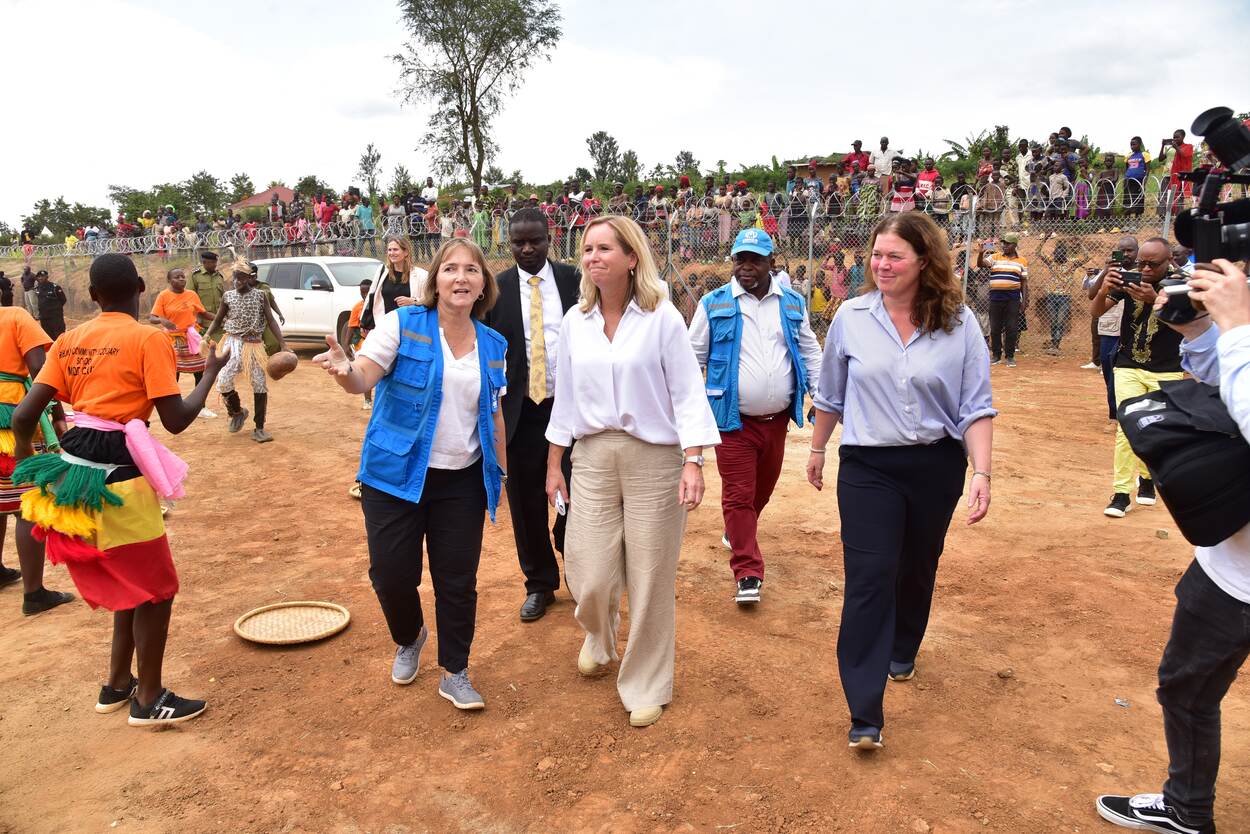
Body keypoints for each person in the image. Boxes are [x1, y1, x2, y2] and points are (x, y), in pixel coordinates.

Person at [806, 211, 995, 750]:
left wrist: (982, 471)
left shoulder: (959, 323)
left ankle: (904, 644)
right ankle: (865, 712)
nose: (881, 265)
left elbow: (976, 405)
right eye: (877, 255)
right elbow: (832, 394)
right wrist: (818, 449)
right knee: (869, 576)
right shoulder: (851, 317)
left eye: (895, 256)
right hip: (868, 466)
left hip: (936, 465)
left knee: (916, 566)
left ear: (924, 260)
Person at [11, 253, 226, 725]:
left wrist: (29, 468)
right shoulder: (148, 338)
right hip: (118, 477)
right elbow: (175, 420)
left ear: (93, 296)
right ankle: (148, 699)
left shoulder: (70, 339)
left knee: (133, 583)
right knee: (157, 589)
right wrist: (210, 373)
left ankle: (116, 683)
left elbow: (25, 416)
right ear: (141, 289)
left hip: (74, 471)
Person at [312, 239, 507, 712]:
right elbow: (362, 376)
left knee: (457, 581)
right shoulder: (402, 324)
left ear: (483, 285)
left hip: (461, 481)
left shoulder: (493, 344)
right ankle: (410, 635)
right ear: (435, 279)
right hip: (394, 475)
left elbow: (494, 414)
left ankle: (455, 671)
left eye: (472, 270)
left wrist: (499, 474)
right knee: (390, 575)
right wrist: (344, 370)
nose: (461, 278)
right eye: (451, 269)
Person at [544, 215, 719, 728]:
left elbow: (687, 393)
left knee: (649, 575)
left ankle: (645, 682)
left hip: (655, 461)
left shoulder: (662, 318)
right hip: (593, 456)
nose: (593, 257)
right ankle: (599, 635)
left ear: (631, 257)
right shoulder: (575, 321)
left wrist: (693, 461)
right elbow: (565, 398)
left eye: (604, 248)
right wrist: (554, 464)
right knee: (589, 570)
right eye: (587, 249)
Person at [1096, 258, 1250, 834]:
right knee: (1186, 688)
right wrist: (1200, 330)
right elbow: (1227, 386)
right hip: (1230, 564)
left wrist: (1238, 328)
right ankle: (1187, 808)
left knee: (1187, 691)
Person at [688, 229, 821, 605]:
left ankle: (737, 530)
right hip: (733, 421)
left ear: (771, 263)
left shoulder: (792, 303)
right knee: (739, 495)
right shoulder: (713, 304)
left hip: (777, 422)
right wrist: (691, 410)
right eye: (740, 259)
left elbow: (810, 352)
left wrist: (822, 395)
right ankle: (748, 571)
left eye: (755, 260)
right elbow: (691, 358)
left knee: (762, 489)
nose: (746, 267)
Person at [483, 208, 580, 622]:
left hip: (571, 411)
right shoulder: (496, 289)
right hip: (520, 414)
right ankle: (539, 584)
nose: (526, 249)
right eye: (518, 242)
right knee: (525, 505)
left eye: (534, 241)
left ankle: (575, 560)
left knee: (580, 496)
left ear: (549, 238)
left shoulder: (575, 281)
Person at [1091, 237, 1183, 517]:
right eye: (1141, 263)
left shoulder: (1180, 284)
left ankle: (1147, 478)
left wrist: (1155, 300)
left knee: (1155, 428)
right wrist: (1105, 288)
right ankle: (1121, 493)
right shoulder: (1130, 279)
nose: (1145, 269)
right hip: (1128, 364)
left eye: (1152, 264)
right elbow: (1096, 311)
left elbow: (1188, 324)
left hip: (1166, 368)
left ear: (1169, 261)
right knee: (1126, 427)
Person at [0, 302, 73, 615]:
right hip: (12, 420)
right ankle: (34, 593)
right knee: (26, 506)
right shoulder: (15, 316)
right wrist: (58, 414)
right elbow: (41, 370)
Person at [204, 261, 287, 443]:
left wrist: (283, 344)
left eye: (241, 278)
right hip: (232, 342)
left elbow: (271, 321)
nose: (237, 281)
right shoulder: (228, 296)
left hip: (254, 344)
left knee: (259, 384)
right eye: (235, 278)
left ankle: (259, 428)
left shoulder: (260, 296)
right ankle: (237, 412)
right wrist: (207, 334)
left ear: (250, 278)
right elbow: (217, 319)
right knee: (223, 381)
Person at [1086, 237, 1139, 414]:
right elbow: (1092, 295)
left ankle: (1127, 409)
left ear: (1137, 251)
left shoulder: (1144, 272)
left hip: (1132, 328)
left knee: (1127, 371)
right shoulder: (1111, 271)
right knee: (1108, 367)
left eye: (1130, 250)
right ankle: (1114, 410)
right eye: (1122, 251)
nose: (1126, 254)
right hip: (1110, 324)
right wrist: (1105, 272)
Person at [149, 268, 212, 385]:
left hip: (192, 337)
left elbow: (204, 313)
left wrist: (221, 318)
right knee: (174, 371)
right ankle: (174, 396)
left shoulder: (192, 294)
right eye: (177, 277)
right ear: (169, 280)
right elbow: (152, 318)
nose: (181, 279)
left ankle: (199, 397)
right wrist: (162, 320)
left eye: (183, 276)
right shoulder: (163, 296)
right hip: (172, 339)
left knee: (199, 370)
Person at [976, 234, 1028, 366]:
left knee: (1012, 328)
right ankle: (996, 355)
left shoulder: (1022, 261)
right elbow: (980, 264)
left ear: (1014, 245)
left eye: (1007, 244)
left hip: (1013, 299)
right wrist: (981, 254)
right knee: (995, 327)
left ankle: (1010, 356)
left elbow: (1024, 282)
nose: (1004, 246)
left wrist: (1024, 301)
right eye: (1003, 243)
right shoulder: (995, 257)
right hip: (995, 298)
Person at [361, 236, 430, 331]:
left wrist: (413, 301)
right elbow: (371, 296)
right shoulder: (382, 271)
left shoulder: (421, 275)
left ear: (406, 252)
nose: (391, 253)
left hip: (410, 328)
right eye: (389, 250)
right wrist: (364, 322)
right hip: (386, 327)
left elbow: (430, 299)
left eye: (395, 250)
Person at [188, 251, 226, 324]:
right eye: (212, 262)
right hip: (203, 320)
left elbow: (223, 297)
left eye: (215, 262)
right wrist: (196, 316)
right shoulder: (195, 276)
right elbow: (189, 297)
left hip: (220, 319)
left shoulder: (219, 276)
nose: (215, 265)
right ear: (204, 262)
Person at [34, 270, 67, 340]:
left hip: (55, 317)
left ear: (47, 277)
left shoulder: (55, 287)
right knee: (47, 336)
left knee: (59, 335)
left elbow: (63, 300)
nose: (40, 278)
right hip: (44, 317)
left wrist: (55, 308)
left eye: (42, 276)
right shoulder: (37, 288)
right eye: (39, 277)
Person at [1123, 137, 1151, 216]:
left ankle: (1137, 218)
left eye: (1134, 144)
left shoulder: (1145, 154)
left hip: (1139, 180)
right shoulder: (1129, 155)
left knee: (1139, 198)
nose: (1132, 146)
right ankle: (1127, 218)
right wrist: (1125, 179)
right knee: (1127, 198)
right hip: (1128, 180)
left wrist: (1144, 181)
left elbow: (1147, 169)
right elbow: (1126, 168)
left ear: (1139, 144)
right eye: (1131, 145)